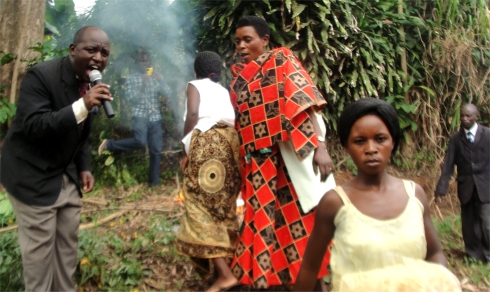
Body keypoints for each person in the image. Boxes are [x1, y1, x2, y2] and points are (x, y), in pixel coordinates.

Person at [294, 98, 461, 291]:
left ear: (393, 142)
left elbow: (434, 254)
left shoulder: (415, 195)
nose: (371, 149)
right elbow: (309, 269)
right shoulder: (335, 203)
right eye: (360, 141)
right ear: (346, 146)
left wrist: (438, 282)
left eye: (380, 139)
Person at [0, 26, 111, 291]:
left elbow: (83, 133)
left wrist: (84, 167)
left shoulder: (93, 84)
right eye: (91, 49)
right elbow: (34, 126)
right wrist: (83, 105)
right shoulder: (41, 76)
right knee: (40, 260)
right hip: (32, 177)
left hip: (66, 175)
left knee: (66, 251)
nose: (98, 57)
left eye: (105, 53)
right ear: (73, 50)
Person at [229, 16, 333, 290]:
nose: (241, 45)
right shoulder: (238, 81)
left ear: (264, 40)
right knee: (269, 225)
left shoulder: (282, 60)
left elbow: (304, 99)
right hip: (261, 167)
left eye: (247, 39)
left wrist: (320, 146)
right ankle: (277, 282)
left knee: (304, 221)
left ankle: (316, 281)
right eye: (237, 41)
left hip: (291, 160)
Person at [176, 51, 241, 292]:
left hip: (207, 145)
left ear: (197, 72)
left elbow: (193, 114)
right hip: (230, 145)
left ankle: (224, 274)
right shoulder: (223, 91)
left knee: (199, 207)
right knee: (222, 208)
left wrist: (185, 148)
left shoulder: (194, 84)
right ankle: (225, 269)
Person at [98, 48, 171, 187]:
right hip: (140, 116)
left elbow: (167, 94)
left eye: (147, 60)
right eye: (141, 60)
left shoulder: (156, 76)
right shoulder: (132, 79)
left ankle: (153, 184)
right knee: (141, 142)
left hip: (155, 117)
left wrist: (161, 80)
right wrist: (143, 85)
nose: (144, 63)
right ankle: (109, 144)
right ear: (137, 63)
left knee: (156, 151)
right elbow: (131, 99)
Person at [435, 103, 490, 263]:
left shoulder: (487, 135)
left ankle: (488, 256)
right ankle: (473, 255)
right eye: (463, 116)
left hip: (486, 186)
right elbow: (448, 165)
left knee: (487, 223)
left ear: (476, 117)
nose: (465, 119)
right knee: (469, 224)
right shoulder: (455, 139)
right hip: (466, 187)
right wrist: (441, 189)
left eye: (469, 116)